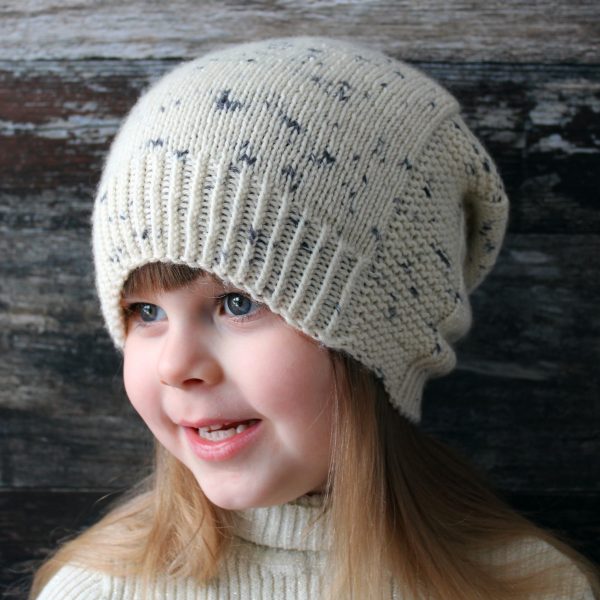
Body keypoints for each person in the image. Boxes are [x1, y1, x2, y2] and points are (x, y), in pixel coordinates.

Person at [31, 37, 597, 599]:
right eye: (146, 312)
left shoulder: (535, 588)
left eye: (239, 303)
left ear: (383, 340)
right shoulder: (96, 591)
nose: (176, 366)